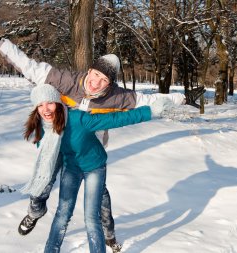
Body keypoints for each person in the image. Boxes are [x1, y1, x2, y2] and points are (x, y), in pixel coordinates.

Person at [0, 15, 201, 251]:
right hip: (59, 146)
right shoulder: (65, 81)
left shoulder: (117, 96)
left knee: (100, 200)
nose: (95, 83)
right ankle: (35, 212)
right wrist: (1, 43)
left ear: (109, 83)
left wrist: (182, 97)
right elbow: (30, 67)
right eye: (95, 75)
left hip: (90, 154)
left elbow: (148, 101)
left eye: (103, 80)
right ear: (90, 70)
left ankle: (110, 234)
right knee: (42, 182)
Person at [23, 83, 171, 253]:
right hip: (72, 168)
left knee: (91, 218)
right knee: (62, 214)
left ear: (58, 102)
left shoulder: (78, 119)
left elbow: (116, 119)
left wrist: (149, 111)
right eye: (40, 105)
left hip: (94, 168)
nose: (45, 109)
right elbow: (48, 151)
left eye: (49, 102)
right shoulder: (44, 127)